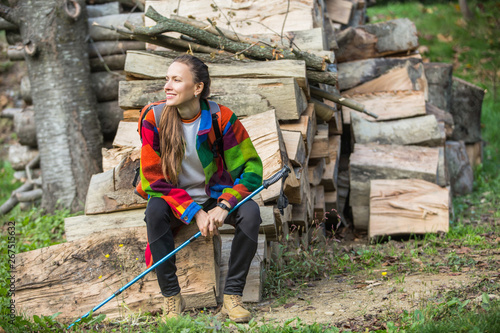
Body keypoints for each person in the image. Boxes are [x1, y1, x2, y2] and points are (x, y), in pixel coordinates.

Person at [136, 54, 264, 323]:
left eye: (176, 80)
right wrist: (195, 212)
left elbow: (252, 170)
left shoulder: (221, 118)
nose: (167, 86)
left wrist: (224, 205)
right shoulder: (153, 118)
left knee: (251, 213)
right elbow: (152, 179)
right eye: (167, 79)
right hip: (173, 199)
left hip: (215, 195)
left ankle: (232, 296)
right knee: (154, 211)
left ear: (198, 88)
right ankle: (172, 298)